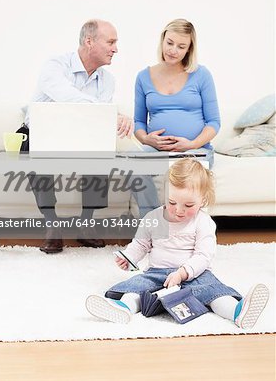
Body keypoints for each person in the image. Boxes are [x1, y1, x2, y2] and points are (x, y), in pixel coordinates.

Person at [86, 159, 269, 328]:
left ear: (203, 200)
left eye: (188, 206)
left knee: (215, 292)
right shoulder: (153, 218)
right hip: (156, 274)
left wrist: (182, 273)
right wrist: (129, 258)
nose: (179, 211)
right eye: (172, 202)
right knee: (137, 288)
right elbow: (141, 244)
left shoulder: (203, 222)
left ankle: (237, 312)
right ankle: (123, 308)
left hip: (194, 275)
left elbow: (203, 256)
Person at [20, 19, 135, 254]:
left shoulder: (107, 80)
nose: (116, 49)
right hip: (40, 133)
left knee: (101, 148)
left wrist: (114, 115)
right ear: (89, 41)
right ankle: (52, 224)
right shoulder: (55, 66)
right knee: (35, 150)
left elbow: (97, 118)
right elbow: (67, 97)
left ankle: (86, 222)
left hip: (80, 134)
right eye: (111, 42)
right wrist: (110, 113)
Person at [134, 19, 221, 169]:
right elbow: (138, 122)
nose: (173, 50)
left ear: (189, 49)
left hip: (196, 150)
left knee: (185, 174)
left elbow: (214, 122)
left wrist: (192, 144)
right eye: (169, 43)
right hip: (156, 150)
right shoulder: (143, 77)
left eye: (181, 47)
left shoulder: (201, 74)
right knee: (133, 164)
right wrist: (147, 139)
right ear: (162, 41)